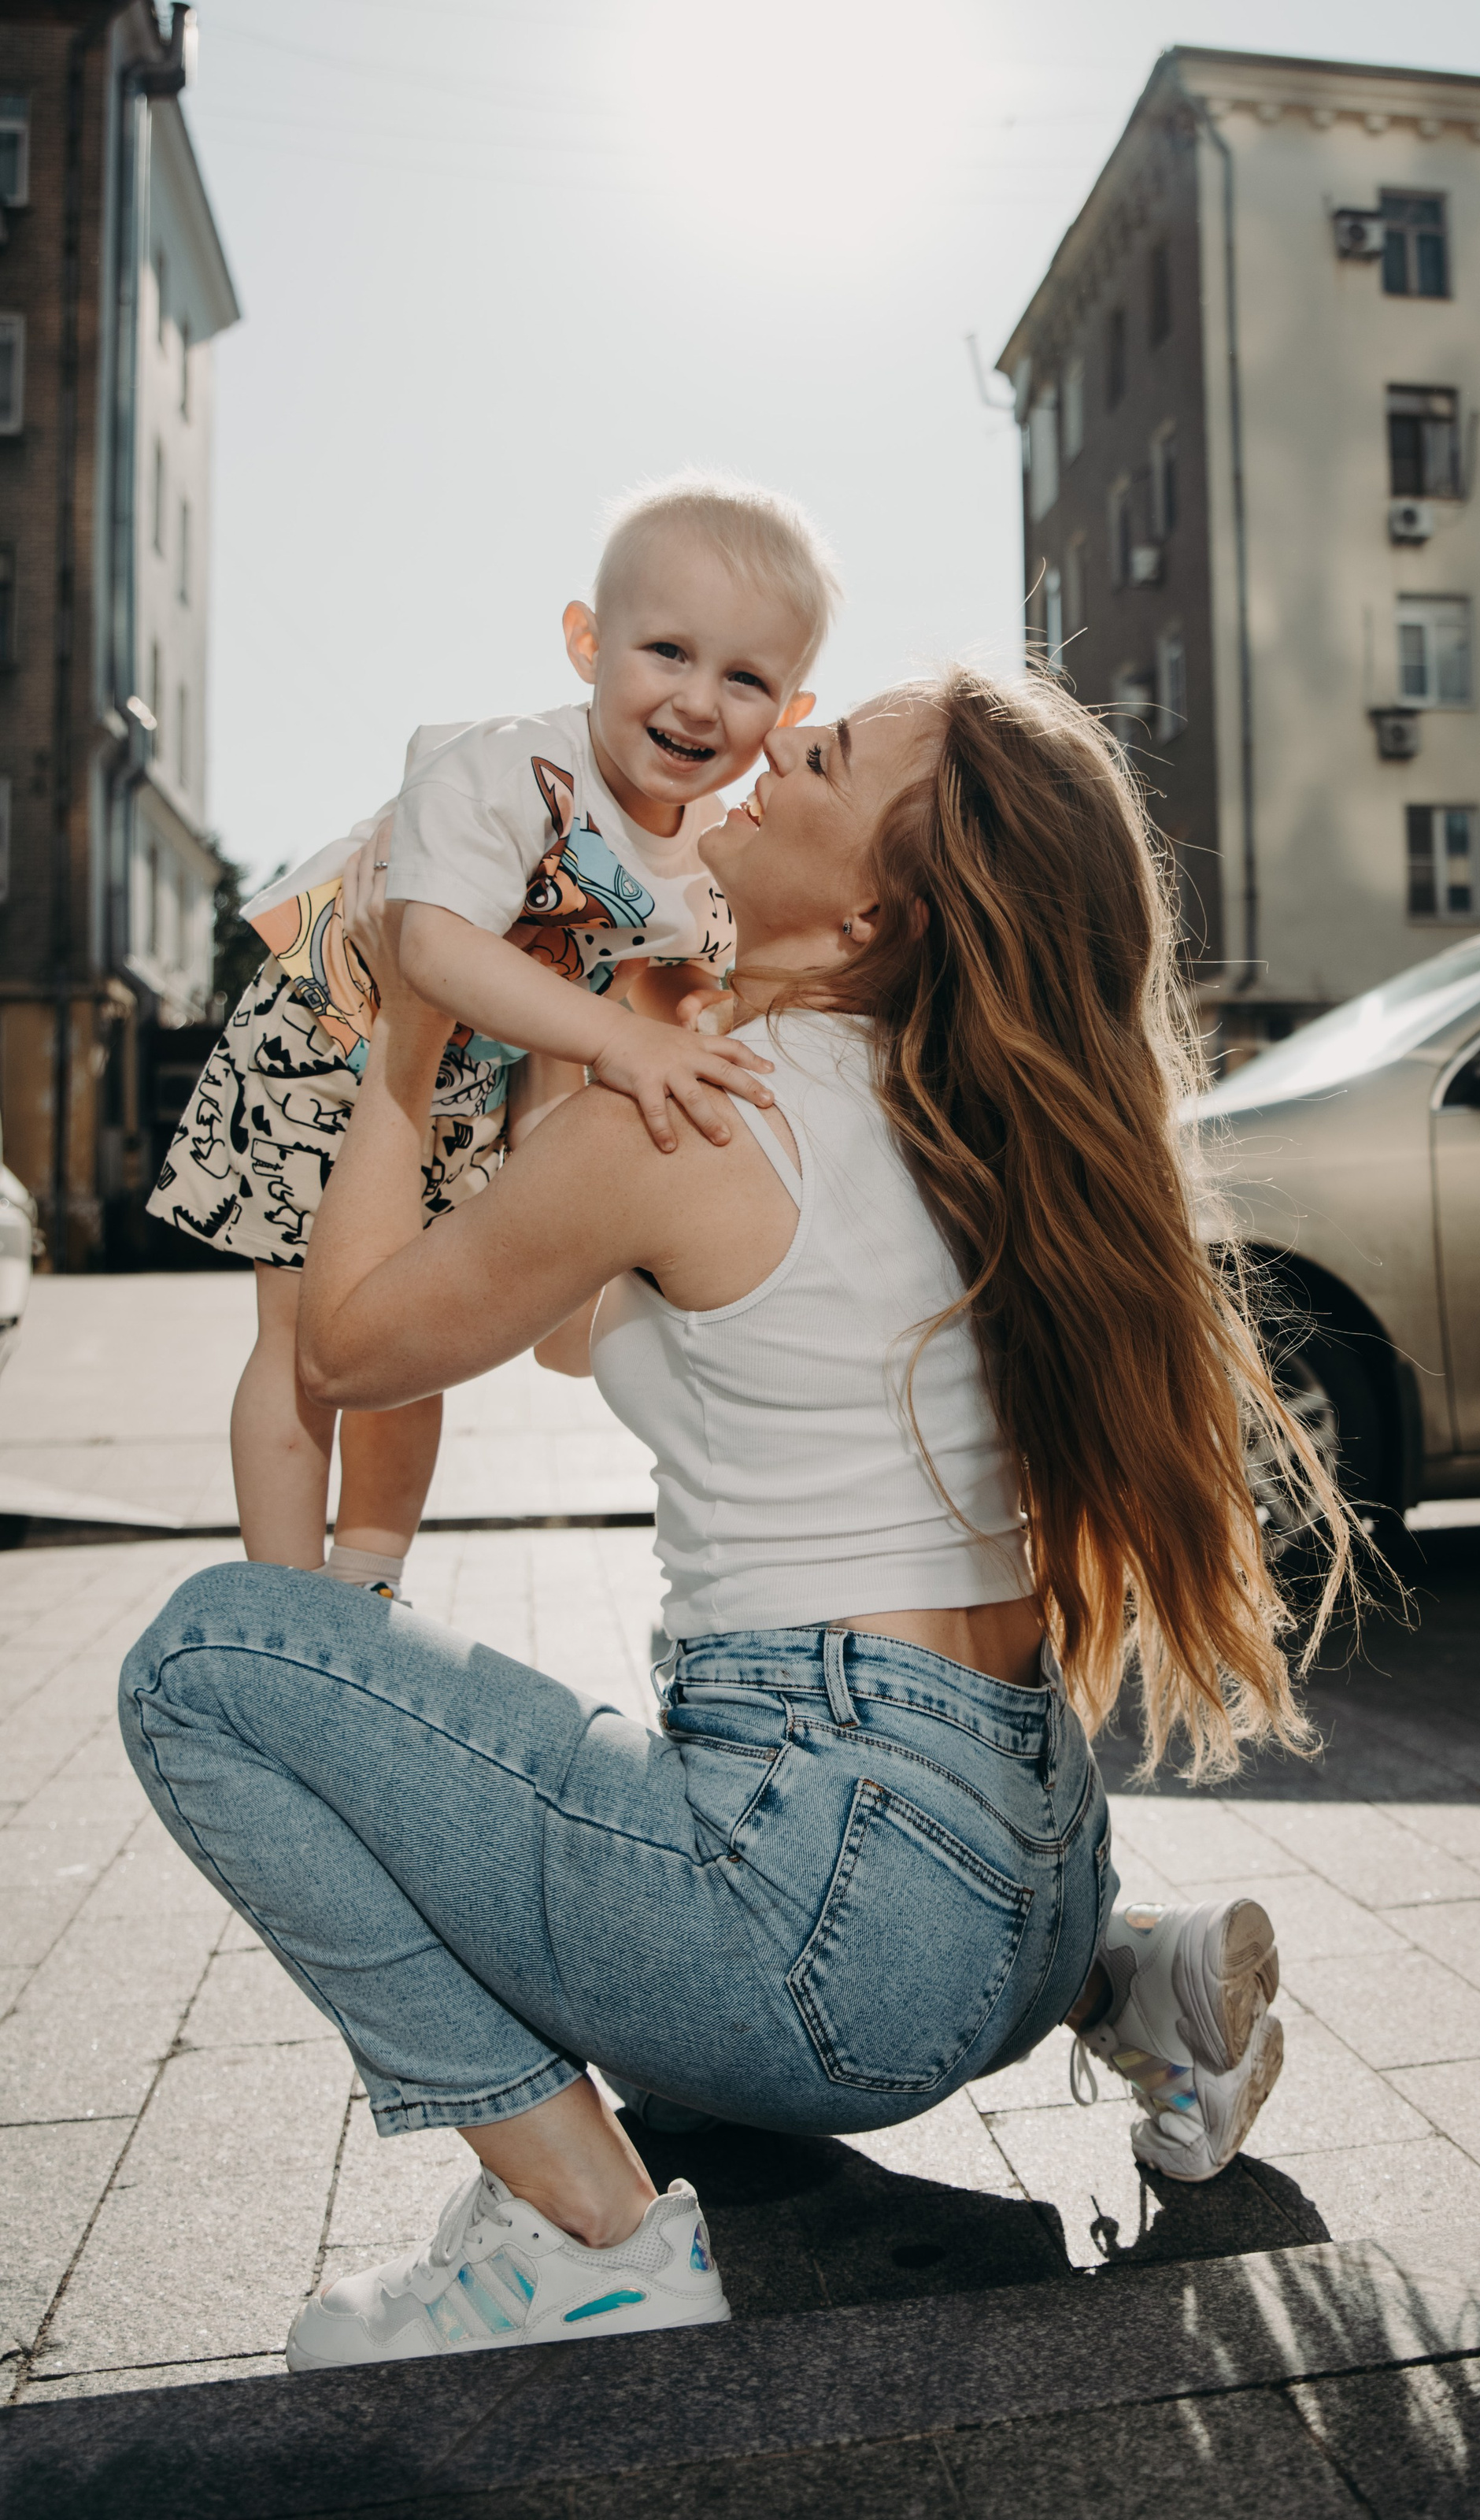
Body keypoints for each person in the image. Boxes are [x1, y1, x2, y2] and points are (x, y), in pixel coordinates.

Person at [118, 666, 1352, 2373]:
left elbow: (344, 1348)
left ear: (871, 914)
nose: (768, 753)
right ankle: (1130, 1983)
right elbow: (572, 1322)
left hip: (837, 1945)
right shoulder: (954, 1113)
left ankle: (590, 2240)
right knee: (629, 1882)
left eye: (820, 760)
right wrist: (616, 999)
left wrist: (407, 1025)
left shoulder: (706, 1115)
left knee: (204, 1663)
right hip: (1022, 1877)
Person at [146, 473, 834, 1601]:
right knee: (301, 1336)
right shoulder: (513, 769)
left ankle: (366, 1589)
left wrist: (699, 1021)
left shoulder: (712, 842)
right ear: (587, 643)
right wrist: (619, 1045)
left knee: (403, 1341)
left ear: (790, 714)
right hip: (332, 1031)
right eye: (667, 651)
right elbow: (432, 948)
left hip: (472, 1080)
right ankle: (284, 1601)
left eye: (745, 678)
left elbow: (680, 975)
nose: (700, 701)